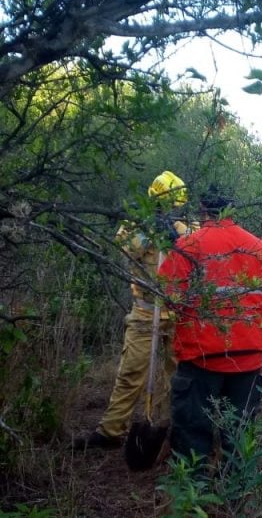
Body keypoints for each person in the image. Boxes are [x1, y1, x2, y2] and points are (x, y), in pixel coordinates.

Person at [158, 185, 262, 464]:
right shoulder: (257, 247)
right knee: (238, 435)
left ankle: (192, 497)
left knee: (192, 433)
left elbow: (170, 297)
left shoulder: (190, 245)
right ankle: (234, 498)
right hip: (248, 359)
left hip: (201, 358)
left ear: (202, 209)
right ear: (232, 209)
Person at [73, 170, 192, 451]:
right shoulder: (134, 223)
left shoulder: (185, 224)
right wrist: (149, 231)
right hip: (144, 311)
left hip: (176, 313)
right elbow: (126, 248)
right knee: (131, 372)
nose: (175, 210)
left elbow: (196, 246)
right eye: (170, 206)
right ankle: (111, 432)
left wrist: (175, 233)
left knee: (175, 375)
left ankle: (162, 427)